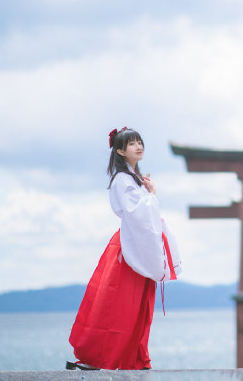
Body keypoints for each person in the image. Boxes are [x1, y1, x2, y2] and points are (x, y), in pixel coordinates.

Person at [66, 127, 182, 371]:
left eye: (140, 142)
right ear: (120, 150)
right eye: (131, 144)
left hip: (136, 245)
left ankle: (134, 358)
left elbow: (141, 212)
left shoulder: (132, 178)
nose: (138, 146)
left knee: (135, 306)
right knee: (118, 306)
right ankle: (100, 357)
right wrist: (151, 194)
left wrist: (147, 193)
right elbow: (136, 212)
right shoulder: (122, 179)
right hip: (130, 249)